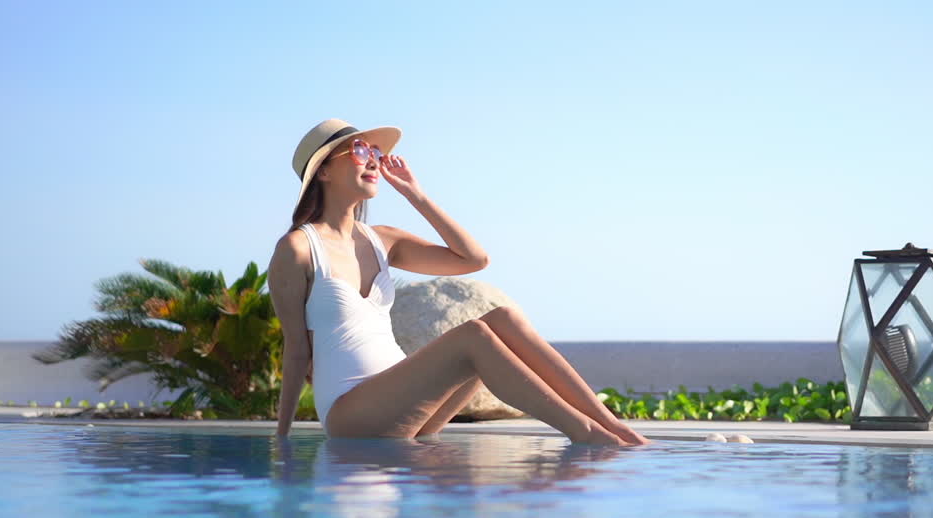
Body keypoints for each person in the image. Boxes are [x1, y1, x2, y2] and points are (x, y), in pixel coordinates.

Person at [268, 119, 650, 446]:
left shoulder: (381, 240)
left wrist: (416, 195)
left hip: (411, 411)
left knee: (502, 318)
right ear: (323, 171)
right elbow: (297, 349)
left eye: (374, 153)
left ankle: (611, 425)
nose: (372, 160)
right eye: (358, 152)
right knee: (472, 337)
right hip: (352, 413)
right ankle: (585, 433)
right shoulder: (299, 248)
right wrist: (281, 439)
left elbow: (474, 259)